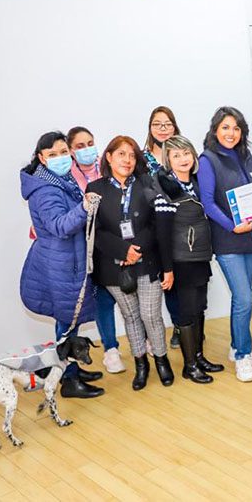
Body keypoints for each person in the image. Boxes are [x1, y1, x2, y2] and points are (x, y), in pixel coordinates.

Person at [19, 131, 104, 399]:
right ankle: (68, 380)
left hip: (67, 260)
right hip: (60, 264)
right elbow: (59, 226)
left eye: (64, 152)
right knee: (66, 324)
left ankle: (73, 370)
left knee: (70, 322)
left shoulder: (62, 180)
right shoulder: (45, 189)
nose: (60, 157)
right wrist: (84, 208)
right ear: (42, 158)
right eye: (52, 154)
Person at [87, 136, 175, 391]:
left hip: (147, 262)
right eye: (121, 154)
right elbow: (95, 231)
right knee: (131, 316)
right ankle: (141, 364)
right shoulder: (95, 189)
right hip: (114, 267)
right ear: (109, 157)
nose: (127, 160)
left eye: (132, 155)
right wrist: (123, 250)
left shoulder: (148, 183)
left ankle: (161, 360)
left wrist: (137, 249)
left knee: (151, 315)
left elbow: (157, 223)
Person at [154, 135, 223, 384]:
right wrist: (167, 269)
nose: (183, 159)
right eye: (176, 155)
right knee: (185, 312)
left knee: (199, 307)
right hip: (180, 260)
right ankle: (190, 365)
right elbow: (162, 234)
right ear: (168, 160)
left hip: (200, 256)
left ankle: (199, 357)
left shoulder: (195, 183)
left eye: (186, 153)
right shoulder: (165, 188)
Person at [199, 106, 252, 382]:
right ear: (215, 130)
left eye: (236, 128)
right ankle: (242, 356)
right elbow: (207, 202)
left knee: (243, 297)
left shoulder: (244, 156)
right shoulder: (207, 159)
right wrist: (231, 225)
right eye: (225, 127)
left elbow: (250, 195)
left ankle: (237, 346)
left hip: (248, 237)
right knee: (244, 299)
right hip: (227, 239)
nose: (231, 133)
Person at [67, 126, 125, 374]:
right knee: (103, 300)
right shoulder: (68, 178)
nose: (87, 149)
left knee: (127, 295)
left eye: (90, 143)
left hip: (114, 240)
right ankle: (111, 350)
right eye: (80, 146)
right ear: (71, 151)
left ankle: (141, 343)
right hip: (86, 247)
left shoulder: (107, 167)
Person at [143, 106, 185, 349]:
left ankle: (185, 327)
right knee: (165, 281)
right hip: (154, 229)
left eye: (168, 124)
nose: (162, 129)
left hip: (183, 228)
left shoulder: (182, 153)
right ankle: (159, 333)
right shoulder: (141, 159)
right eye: (157, 124)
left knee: (183, 282)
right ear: (150, 128)